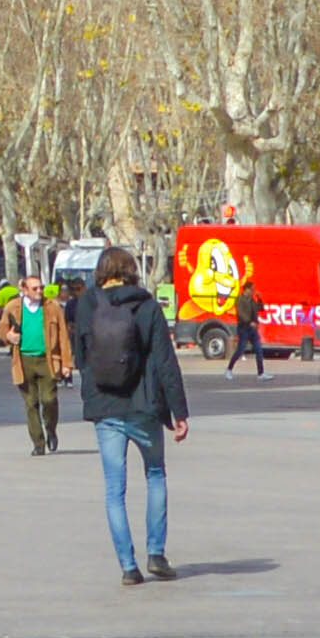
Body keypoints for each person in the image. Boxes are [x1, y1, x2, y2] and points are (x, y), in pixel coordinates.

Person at [72, 238, 189, 585]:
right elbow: (165, 362)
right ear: (131, 272)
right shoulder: (148, 306)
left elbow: (82, 356)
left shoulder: (87, 304)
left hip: (105, 406)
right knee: (155, 474)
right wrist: (179, 411)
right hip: (143, 406)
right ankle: (156, 553)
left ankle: (128, 567)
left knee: (114, 490)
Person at [11, 259, 63, 455]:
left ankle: (51, 429)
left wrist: (67, 363)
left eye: (40, 288)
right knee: (31, 403)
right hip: (24, 360)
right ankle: (38, 443)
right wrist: (8, 336)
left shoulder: (52, 307)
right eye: (34, 289)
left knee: (49, 400)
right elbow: (1, 330)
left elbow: (64, 336)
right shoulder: (14, 308)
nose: (39, 292)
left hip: (47, 359)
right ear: (24, 290)